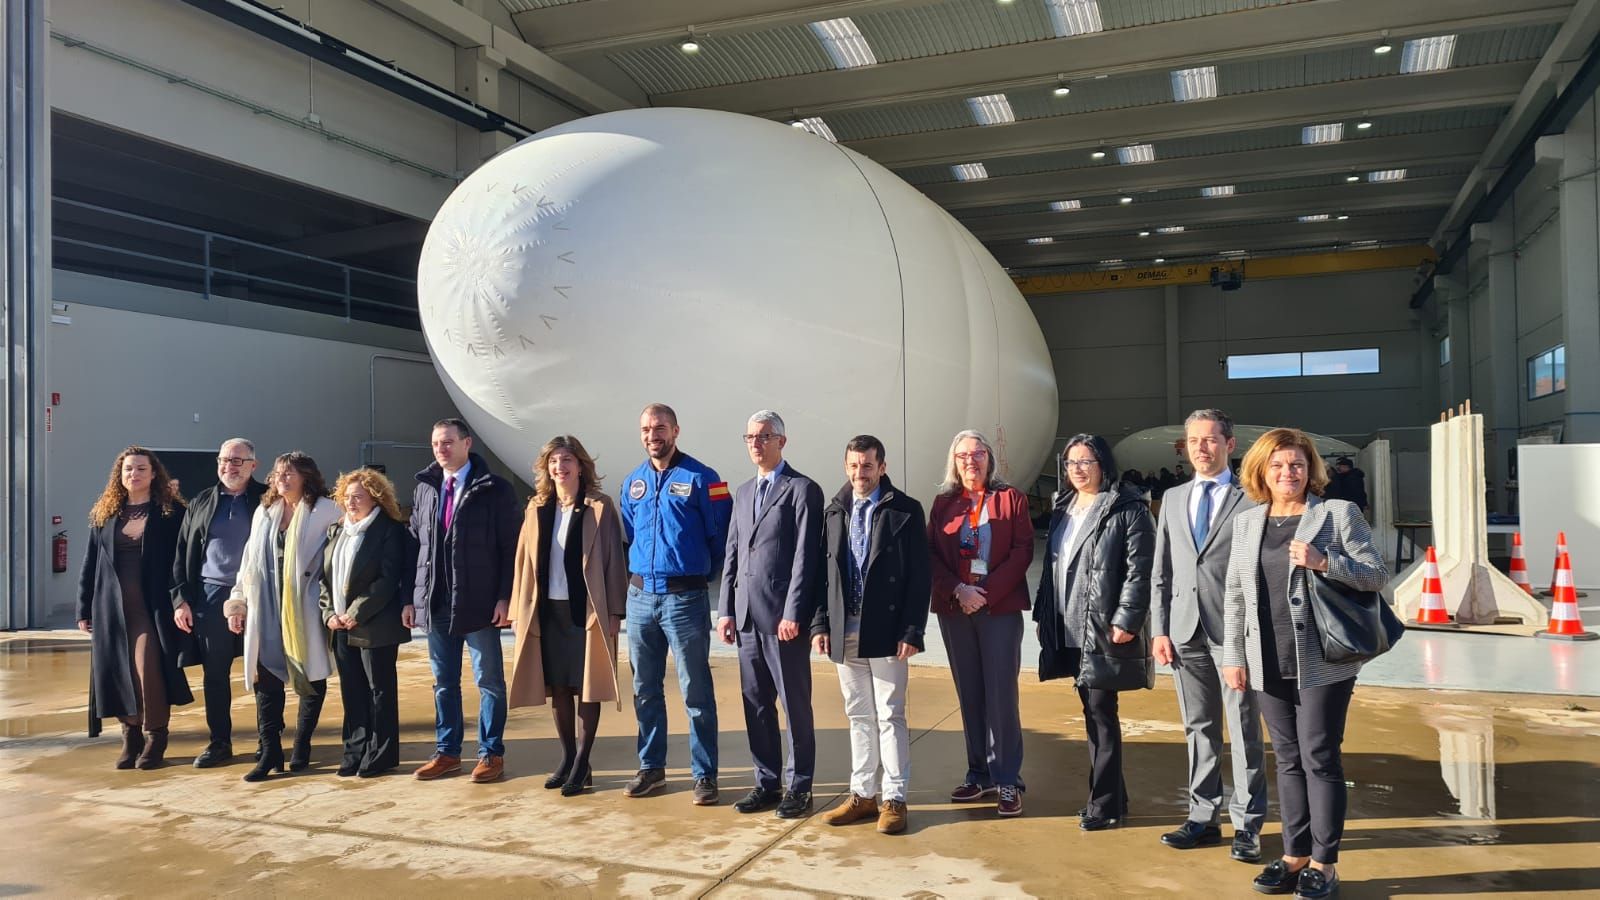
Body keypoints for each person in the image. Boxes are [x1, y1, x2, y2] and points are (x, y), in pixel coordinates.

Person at [1222, 429, 1389, 900]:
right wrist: (1235, 656)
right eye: (1276, 466)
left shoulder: (1336, 514)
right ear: (1261, 472)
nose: (1286, 473)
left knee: (1320, 758)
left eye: (1295, 464)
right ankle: (1294, 855)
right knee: (1288, 760)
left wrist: (1324, 561)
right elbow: (1234, 596)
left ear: (1309, 469)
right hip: (1266, 658)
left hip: (1323, 661)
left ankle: (1325, 862)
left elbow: (1376, 575)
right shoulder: (1248, 523)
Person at [1151, 410, 1268, 861]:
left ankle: (1247, 823)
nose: (1201, 448)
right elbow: (1161, 571)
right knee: (1198, 727)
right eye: (1193, 441)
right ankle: (1203, 816)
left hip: (1234, 633)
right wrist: (1159, 629)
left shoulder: (1252, 499)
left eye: (1210, 439)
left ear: (1230, 445)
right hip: (1184, 631)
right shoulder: (1174, 498)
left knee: (1242, 729)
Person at [1035, 434, 1155, 831]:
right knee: (1091, 710)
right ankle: (1114, 797)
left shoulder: (1127, 508)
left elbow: (1141, 571)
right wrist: (1043, 615)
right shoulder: (1063, 507)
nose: (1079, 470)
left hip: (1103, 626)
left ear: (1103, 463)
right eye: (1071, 463)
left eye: (1086, 461)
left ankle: (1104, 805)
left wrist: (1128, 619)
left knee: (1103, 713)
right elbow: (1055, 566)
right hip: (1070, 624)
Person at [812, 435, 931, 835]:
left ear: (882, 467)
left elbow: (919, 577)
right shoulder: (834, 511)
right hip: (845, 628)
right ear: (845, 466)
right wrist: (819, 624)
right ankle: (862, 794)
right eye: (853, 465)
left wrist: (912, 629)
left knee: (890, 713)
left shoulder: (906, 510)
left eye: (867, 466)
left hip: (887, 629)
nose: (859, 473)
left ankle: (894, 798)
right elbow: (822, 575)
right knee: (858, 714)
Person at [619, 403, 733, 804]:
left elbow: (722, 538)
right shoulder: (632, 482)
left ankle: (705, 775)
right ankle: (651, 769)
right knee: (644, 689)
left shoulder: (705, 478)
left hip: (684, 599)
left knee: (695, 690)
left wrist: (699, 575)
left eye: (661, 428)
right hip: (640, 599)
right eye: (647, 428)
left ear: (676, 431)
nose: (654, 435)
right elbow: (630, 533)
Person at [507, 436, 628, 796]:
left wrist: (615, 611)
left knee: (586, 687)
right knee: (559, 687)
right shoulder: (536, 508)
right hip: (547, 610)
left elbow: (613, 562)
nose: (560, 467)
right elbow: (522, 565)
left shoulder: (599, 507)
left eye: (566, 460)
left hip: (587, 610)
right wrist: (518, 611)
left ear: (580, 466)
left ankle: (582, 762)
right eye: (554, 461)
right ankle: (568, 757)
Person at [718, 410, 824, 819]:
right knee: (755, 704)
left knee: (795, 706)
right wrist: (726, 608)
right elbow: (733, 553)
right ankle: (766, 782)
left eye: (764, 436)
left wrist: (794, 611)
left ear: (782, 441)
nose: (756, 444)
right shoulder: (743, 492)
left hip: (783, 621)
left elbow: (805, 558)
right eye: (750, 437)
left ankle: (800, 788)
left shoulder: (802, 490)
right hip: (745, 619)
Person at [927, 430, 1034, 817]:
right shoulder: (943, 504)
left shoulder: (1011, 499)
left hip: (998, 610)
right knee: (969, 693)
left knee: (1001, 695)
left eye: (977, 454)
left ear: (989, 458)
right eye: (962, 456)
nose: (970, 461)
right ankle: (979, 774)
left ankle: (1007, 779)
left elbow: (1023, 551)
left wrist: (984, 593)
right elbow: (933, 556)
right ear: (953, 462)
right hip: (956, 609)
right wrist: (959, 590)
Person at [409, 418, 520, 784]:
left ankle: (491, 753)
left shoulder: (494, 489)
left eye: (448, 442)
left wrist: (506, 596)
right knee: (443, 682)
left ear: (467, 443)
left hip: (480, 602)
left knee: (489, 681)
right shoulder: (426, 488)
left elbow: (510, 548)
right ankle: (448, 752)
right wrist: (412, 598)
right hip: (437, 602)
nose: (441, 449)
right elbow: (417, 546)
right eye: (436, 443)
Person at [224, 452, 340, 782]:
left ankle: (302, 742)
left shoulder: (327, 511)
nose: (282, 479)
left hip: (305, 609)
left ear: (307, 476)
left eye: (289, 473)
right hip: (266, 607)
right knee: (266, 680)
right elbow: (249, 561)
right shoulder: (266, 512)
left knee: (311, 680)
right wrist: (238, 601)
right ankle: (270, 749)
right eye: (278, 474)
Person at [79, 446, 194, 769]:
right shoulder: (105, 513)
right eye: (129, 469)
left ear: (154, 473)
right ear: (120, 474)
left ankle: (156, 735)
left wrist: (182, 598)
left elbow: (181, 561)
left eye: (142, 468)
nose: (135, 474)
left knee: (148, 671)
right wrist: (83, 607)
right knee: (118, 672)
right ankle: (130, 736)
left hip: (152, 608)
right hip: (111, 610)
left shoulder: (171, 512)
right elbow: (91, 563)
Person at [170, 438, 264, 768]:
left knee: (264, 671)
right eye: (225, 460)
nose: (231, 466)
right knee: (215, 674)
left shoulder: (268, 499)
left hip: (258, 596)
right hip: (211, 597)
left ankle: (268, 742)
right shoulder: (202, 501)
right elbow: (182, 554)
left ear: (254, 465)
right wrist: (181, 599)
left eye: (239, 461)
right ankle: (219, 742)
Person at [320, 467, 412, 778]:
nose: (351, 502)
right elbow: (325, 578)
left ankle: (382, 754)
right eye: (346, 497)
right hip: (341, 626)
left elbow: (388, 579)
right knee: (352, 691)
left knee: (379, 691)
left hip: (375, 625)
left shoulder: (389, 530)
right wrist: (329, 613)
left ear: (375, 498)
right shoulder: (338, 530)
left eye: (358, 496)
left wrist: (355, 613)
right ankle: (354, 751)